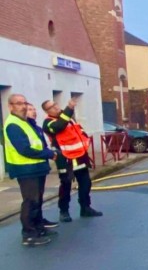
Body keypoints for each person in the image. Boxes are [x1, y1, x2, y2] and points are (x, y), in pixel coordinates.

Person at [3, 95, 57, 246]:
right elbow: (24, 149)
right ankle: (28, 234)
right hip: (25, 169)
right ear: (10, 106)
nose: (23, 106)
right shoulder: (13, 124)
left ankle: (39, 228)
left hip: (36, 168)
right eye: (19, 104)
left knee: (37, 200)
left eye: (24, 103)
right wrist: (48, 154)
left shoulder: (25, 122)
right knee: (30, 201)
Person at [41, 97, 102, 221]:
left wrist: (85, 138)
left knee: (85, 183)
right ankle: (64, 211)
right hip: (65, 158)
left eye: (55, 104)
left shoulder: (67, 118)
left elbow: (78, 129)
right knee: (66, 185)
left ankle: (85, 208)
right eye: (51, 107)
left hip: (79, 155)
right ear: (47, 111)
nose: (56, 107)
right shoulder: (48, 123)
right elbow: (59, 126)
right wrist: (69, 108)